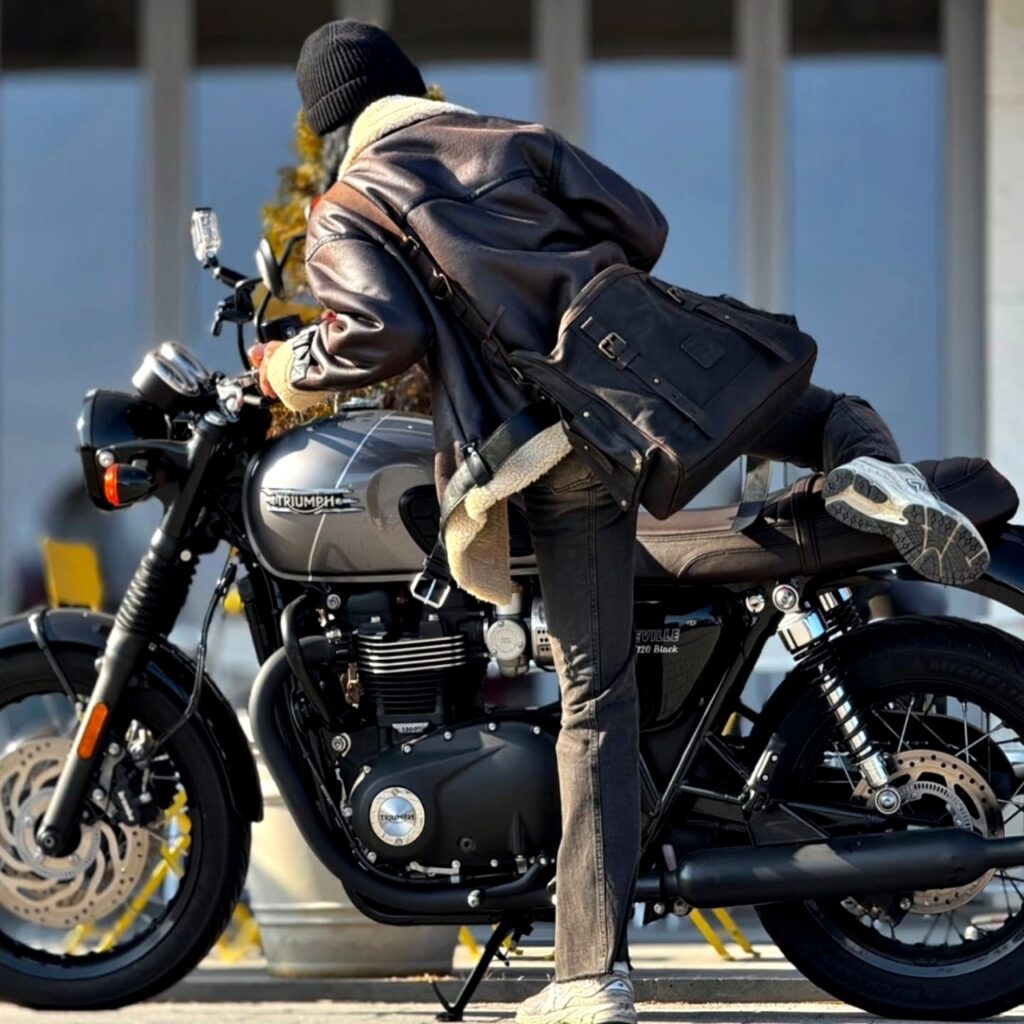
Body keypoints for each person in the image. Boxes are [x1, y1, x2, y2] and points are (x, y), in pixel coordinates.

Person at [251, 20, 991, 1024]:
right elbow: (641, 225)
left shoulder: (352, 199)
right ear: (415, 85)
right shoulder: (509, 135)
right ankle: (871, 473)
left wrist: (283, 369)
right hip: (650, 354)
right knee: (819, 410)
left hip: (554, 436)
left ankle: (590, 972)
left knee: (595, 697)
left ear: (328, 120)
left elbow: (379, 331)